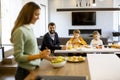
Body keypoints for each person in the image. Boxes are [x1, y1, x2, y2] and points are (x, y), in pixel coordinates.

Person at [10, 2, 53, 80]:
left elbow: (34, 50)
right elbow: (18, 57)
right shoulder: (20, 31)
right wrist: (40, 56)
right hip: (25, 72)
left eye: (39, 15)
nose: (38, 18)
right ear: (28, 14)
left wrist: (48, 58)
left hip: (34, 69)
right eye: (36, 14)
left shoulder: (30, 28)